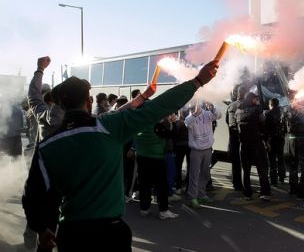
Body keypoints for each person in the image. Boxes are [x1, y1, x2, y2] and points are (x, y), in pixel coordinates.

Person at [23, 59, 218, 251]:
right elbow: (158, 106)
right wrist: (197, 81)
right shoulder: (109, 127)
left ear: (61, 105)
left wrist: (40, 228)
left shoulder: (47, 146)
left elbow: (32, 193)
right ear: (89, 101)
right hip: (111, 234)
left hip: (71, 234)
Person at [22, 56, 64, 252]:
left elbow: (33, 96)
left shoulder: (43, 116)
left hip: (39, 173)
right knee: (51, 218)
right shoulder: (74, 121)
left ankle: (31, 242)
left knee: (35, 214)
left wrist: (39, 69)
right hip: (60, 179)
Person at [235, 92, 271, 201]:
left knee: (245, 170)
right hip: (256, 144)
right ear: (251, 99)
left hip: (244, 144)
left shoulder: (238, 111)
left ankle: (247, 193)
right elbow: (264, 123)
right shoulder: (257, 110)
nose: (257, 101)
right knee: (262, 169)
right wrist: (266, 140)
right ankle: (265, 192)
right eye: (255, 99)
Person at [185, 101, 221, 207]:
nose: (193, 109)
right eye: (191, 108)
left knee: (205, 174)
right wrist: (194, 114)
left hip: (207, 149)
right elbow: (187, 123)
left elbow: (218, 115)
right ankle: (192, 197)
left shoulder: (207, 114)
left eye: (195, 107)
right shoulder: (190, 117)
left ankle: (201, 195)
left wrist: (212, 106)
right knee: (194, 175)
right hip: (196, 151)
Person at [226, 85, 247, 191]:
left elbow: (228, 122)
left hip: (233, 137)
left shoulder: (231, 105)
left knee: (236, 162)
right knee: (244, 162)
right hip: (244, 137)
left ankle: (236, 183)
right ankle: (244, 184)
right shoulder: (246, 105)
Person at [265, 98, 287, 186]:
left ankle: (273, 180)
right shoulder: (282, 112)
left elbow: (266, 128)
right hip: (281, 138)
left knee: (272, 160)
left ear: (271, 104)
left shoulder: (268, 113)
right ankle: (282, 177)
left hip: (272, 139)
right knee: (281, 158)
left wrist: (266, 140)